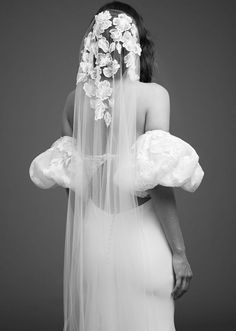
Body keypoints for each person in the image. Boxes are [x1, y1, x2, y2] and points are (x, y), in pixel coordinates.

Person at [29, 2, 204, 330]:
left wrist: (85, 237)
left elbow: (73, 182)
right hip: (142, 238)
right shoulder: (154, 96)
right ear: (138, 43)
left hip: (93, 239)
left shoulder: (74, 100)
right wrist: (179, 253)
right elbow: (157, 180)